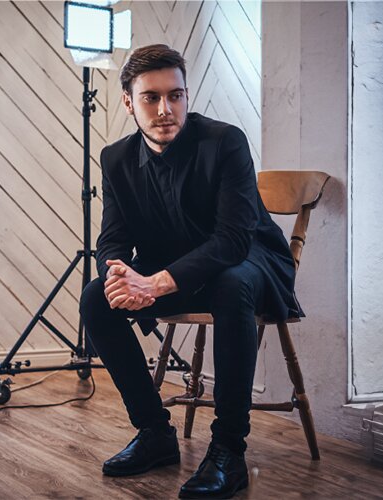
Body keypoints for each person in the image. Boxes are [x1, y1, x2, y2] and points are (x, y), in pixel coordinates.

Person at [79, 44, 301, 499]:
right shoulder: (116, 158)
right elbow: (113, 239)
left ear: (186, 94)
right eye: (151, 98)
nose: (166, 109)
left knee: (231, 283)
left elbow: (233, 241)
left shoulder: (225, 141)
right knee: (95, 297)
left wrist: (155, 282)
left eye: (176, 95)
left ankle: (228, 451)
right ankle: (155, 433)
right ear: (128, 102)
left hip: (249, 263)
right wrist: (119, 276)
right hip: (176, 265)